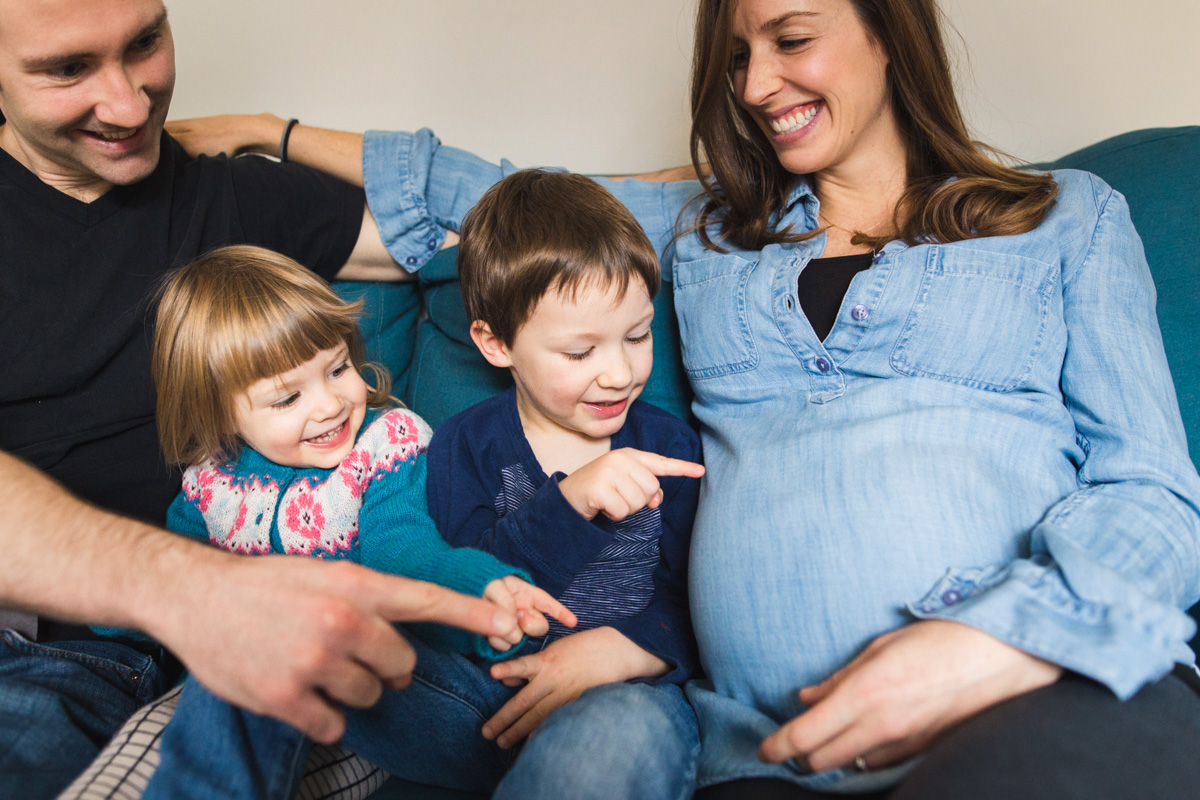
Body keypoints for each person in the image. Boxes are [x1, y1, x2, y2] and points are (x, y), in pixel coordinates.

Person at [167, 0, 1200, 796]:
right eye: (737, 57)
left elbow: (1155, 490)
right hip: (764, 740)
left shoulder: (1064, 219)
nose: (755, 84)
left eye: (791, 39)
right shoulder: (707, 231)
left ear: (890, 30)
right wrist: (274, 127)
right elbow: (502, 198)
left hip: (1032, 677)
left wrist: (997, 640)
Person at [0, 1, 513, 797]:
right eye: (68, 68)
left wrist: (272, 129)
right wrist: (189, 591)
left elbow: (510, 226)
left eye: (144, 43)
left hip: (260, 660)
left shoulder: (236, 200)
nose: (131, 105)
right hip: (42, 662)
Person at [134, 245, 572, 799]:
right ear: (220, 412)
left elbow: (403, 552)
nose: (330, 404)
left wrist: (480, 594)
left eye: (338, 368)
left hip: (435, 699)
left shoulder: (384, 446)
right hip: (309, 720)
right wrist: (98, 603)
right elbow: (169, 580)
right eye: (288, 397)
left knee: (268, 631)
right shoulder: (208, 485)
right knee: (236, 632)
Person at [391, 169, 705, 799]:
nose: (619, 372)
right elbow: (467, 601)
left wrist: (625, 652)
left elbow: (698, 604)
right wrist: (569, 503)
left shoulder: (668, 447)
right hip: (484, 702)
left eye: (638, 336)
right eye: (579, 352)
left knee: (600, 752)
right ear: (496, 342)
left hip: (626, 699)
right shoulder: (464, 445)